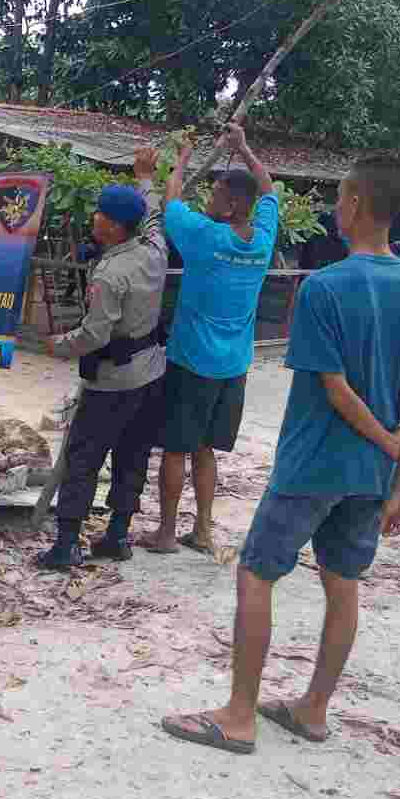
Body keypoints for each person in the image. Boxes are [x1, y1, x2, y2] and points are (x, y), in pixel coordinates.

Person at [161, 155, 400, 755]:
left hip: (313, 463)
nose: (335, 208)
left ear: (355, 203)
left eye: (340, 197)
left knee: (257, 572)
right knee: (344, 582)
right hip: (371, 476)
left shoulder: (324, 288)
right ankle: (312, 710)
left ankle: (239, 716)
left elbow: (335, 390)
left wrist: (389, 444)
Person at [147, 124, 279, 557]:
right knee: (205, 450)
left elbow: (171, 202)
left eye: (217, 193)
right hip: (233, 367)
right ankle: (202, 530)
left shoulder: (205, 236)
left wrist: (183, 160)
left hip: (191, 361)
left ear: (233, 203)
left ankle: (167, 533)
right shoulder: (262, 240)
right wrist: (243, 148)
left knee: (175, 449)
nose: (209, 199)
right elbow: (268, 188)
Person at [38, 144, 168, 569]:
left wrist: (58, 344)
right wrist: (145, 177)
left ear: (112, 225)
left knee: (84, 459)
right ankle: (117, 535)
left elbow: (95, 334)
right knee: (133, 455)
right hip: (151, 374)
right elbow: (154, 213)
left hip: (112, 381)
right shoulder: (155, 248)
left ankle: (66, 545)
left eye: (99, 213)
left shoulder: (111, 274)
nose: (93, 217)